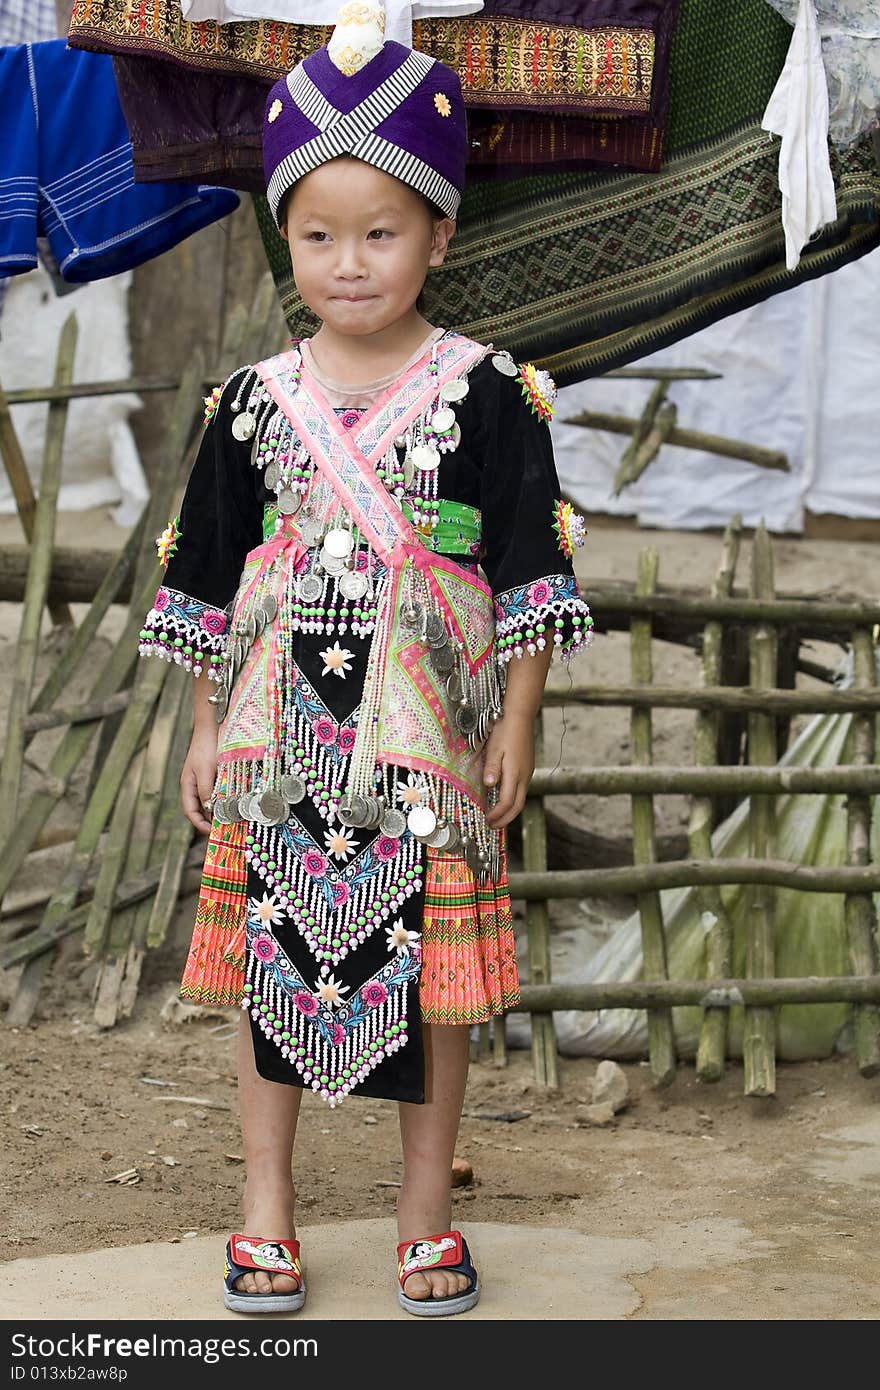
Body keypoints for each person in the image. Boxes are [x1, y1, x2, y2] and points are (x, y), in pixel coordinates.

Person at [137, 0, 592, 1318]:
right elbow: (205, 579)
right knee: (272, 967)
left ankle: (422, 1220)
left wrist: (519, 720)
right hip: (282, 749)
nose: (349, 262)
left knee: (434, 987)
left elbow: (529, 570)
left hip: (426, 752)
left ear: (439, 234)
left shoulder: (496, 394)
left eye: (381, 233)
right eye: (319, 234)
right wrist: (200, 723)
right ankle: (266, 1210)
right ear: (286, 234)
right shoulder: (249, 406)